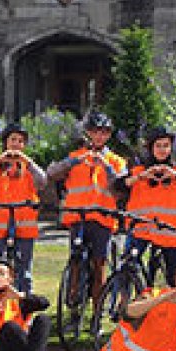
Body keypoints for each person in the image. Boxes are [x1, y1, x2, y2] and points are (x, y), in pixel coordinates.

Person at [47, 110, 127, 315]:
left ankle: (97, 311)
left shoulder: (116, 160)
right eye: (95, 132)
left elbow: (123, 186)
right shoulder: (76, 156)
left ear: (108, 135)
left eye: (103, 133)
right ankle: (74, 304)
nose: (99, 136)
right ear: (88, 134)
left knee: (99, 264)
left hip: (103, 218)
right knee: (75, 260)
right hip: (78, 216)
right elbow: (52, 174)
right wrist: (73, 162)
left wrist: (106, 167)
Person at [117, 126, 176, 286]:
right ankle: (123, 304)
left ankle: (175, 308)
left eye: (166, 145)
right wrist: (141, 176)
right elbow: (119, 185)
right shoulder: (139, 170)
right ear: (151, 148)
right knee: (126, 270)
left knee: (174, 279)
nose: (162, 150)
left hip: (170, 233)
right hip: (141, 230)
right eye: (158, 146)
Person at [0, 122, 46, 293]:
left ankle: (25, 307)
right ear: (5, 142)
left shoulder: (29, 167)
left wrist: (29, 162)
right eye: (13, 139)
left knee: (24, 270)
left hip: (24, 225)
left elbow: (43, 181)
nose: (16, 144)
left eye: (20, 141)